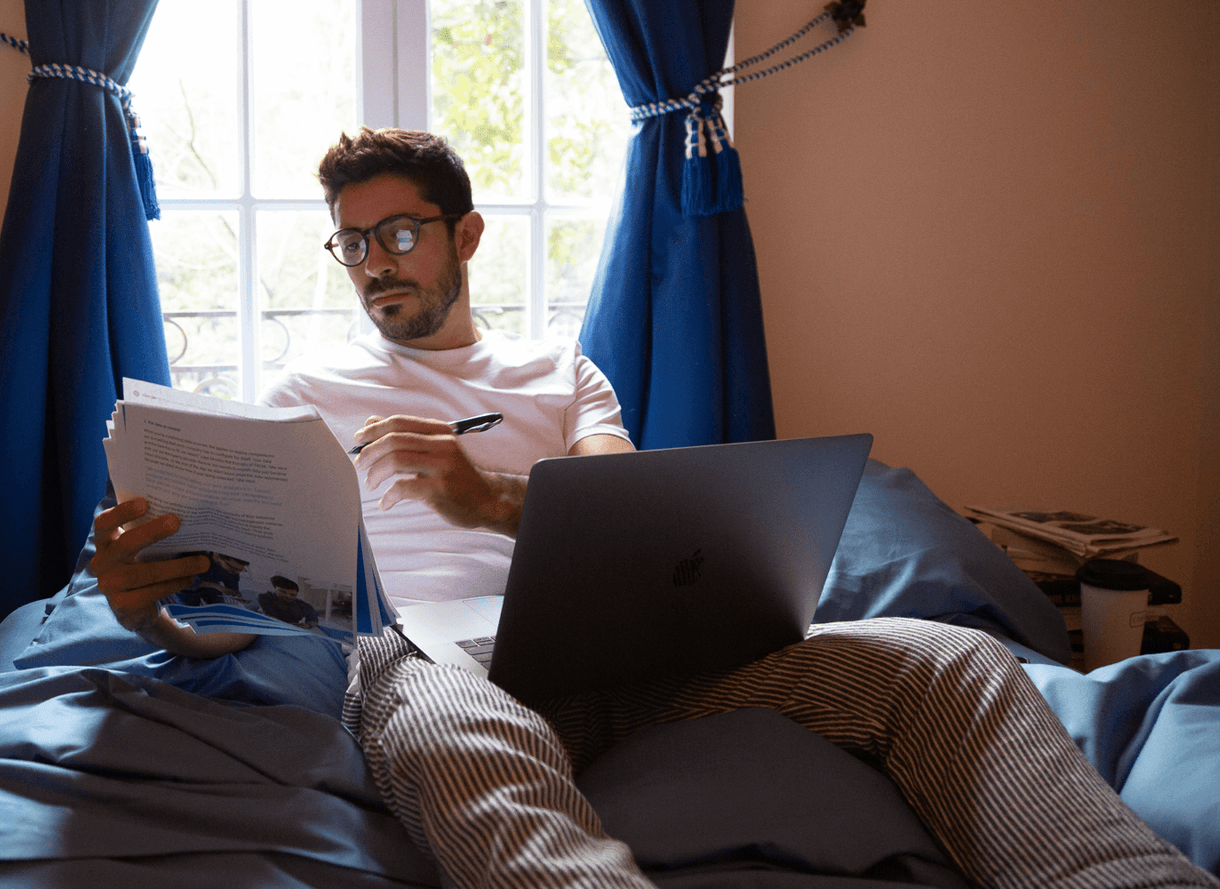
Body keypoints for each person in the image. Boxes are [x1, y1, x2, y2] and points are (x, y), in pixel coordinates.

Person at [91, 128, 1217, 888]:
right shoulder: (301, 398)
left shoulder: (563, 375)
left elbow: (620, 500)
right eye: (351, 243)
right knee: (450, 732)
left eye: (398, 233)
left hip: (636, 656)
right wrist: (154, 612)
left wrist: (488, 499)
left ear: (464, 235)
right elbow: (253, 608)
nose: (373, 263)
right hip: (436, 659)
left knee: (945, 657)